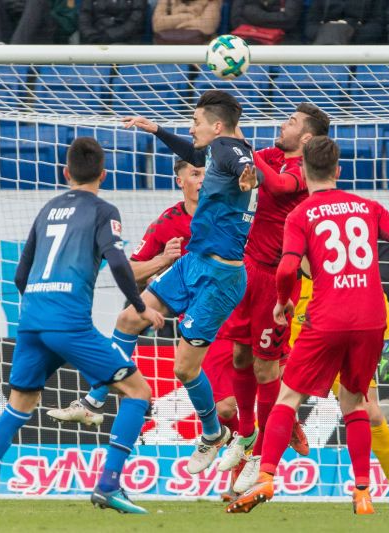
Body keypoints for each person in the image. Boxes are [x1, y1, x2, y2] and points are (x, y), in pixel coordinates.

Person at [227, 136, 389, 514]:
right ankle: (363, 490)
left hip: (326, 316)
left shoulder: (300, 215)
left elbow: (285, 267)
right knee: (358, 403)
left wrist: (281, 302)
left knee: (288, 397)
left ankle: (266, 475)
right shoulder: (368, 207)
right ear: (339, 171)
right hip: (371, 318)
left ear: (304, 172)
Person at [0, 137, 165, 515]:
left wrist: (38, 305)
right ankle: (109, 484)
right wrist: (138, 306)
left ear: (66, 172)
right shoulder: (103, 210)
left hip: (32, 320)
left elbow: (21, 272)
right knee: (137, 391)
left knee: (19, 404)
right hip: (68, 323)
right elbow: (116, 261)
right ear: (103, 173)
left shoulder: (47, 209)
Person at [115, 90, 258, 475]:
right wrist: (156, 128)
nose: (191, 128)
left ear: (216, 126)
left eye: (195, 122)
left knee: (184, 369)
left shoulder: (229, 148)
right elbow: (198, 154)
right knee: (130, 318)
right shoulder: (215, 151)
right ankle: (97, 399)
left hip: (219, 277)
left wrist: (249, 177)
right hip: (194, 262)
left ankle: (213, 434)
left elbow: (243, 163)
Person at [216, 103, 330, 484]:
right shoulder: (271, 155)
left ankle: (261, 453)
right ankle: (246, 434)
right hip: (246, 269)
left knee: (267, 367)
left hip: (277, 278)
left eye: (292, 122)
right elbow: (244, 164)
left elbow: (278, 186)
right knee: (238, 353)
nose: (284, 125)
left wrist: (246, 153)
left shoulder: (301, 171)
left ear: (308, 138)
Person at [46, 159, 205, 427]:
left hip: (227, 305)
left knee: (223, 400)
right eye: (195, 174)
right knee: (128, 320)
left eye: (207, 174)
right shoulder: (167, 223)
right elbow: (130, 271)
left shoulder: (228, 214)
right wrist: (162, 260)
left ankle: (219, 434)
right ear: (180, 182)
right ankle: (94, 400)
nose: (203, 180)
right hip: (189, 305)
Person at [0, 0, 75, 44]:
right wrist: (11, 8)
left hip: (43, 37)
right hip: (6, 36)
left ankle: (13, 50)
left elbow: (68, 24)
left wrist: (35, 13)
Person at [305, 0, 387, 45]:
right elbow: (310, 26)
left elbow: (377, 27)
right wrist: (330, 29)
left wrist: (347, 29)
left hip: (359, 41)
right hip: (323, 37)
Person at [229, 0, 304, 44]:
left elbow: (288, 20)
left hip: (285, 39)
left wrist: (253, 15)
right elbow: (236, 20)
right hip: (248, 37)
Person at [152, 0, 223, 44]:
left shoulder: (212, 1)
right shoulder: (166, 1)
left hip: (200, 48)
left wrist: (174, 23)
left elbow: (208, 26)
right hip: (167, 47)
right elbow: (157, 25)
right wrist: (189, 17)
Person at [78, 0, 147, 44]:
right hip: (96, 40)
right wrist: (92, 35)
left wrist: (111, 35)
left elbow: (136, 19)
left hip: (126, 41)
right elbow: (84, 17)